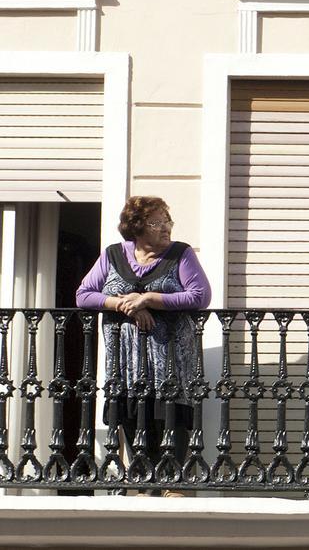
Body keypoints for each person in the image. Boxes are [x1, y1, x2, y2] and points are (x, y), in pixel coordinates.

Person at [76, 196, 211, 493]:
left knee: (170, 422)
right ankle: (142, 484)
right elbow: (84, 295)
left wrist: (150, 299)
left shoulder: (181, 254)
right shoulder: (113, 255)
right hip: (126, 364)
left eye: (168, 221)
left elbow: (200, 296)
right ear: (136, 227)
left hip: (170, 362)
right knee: (133, 419)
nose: (166, 228)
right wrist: (125, 305)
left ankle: (171, 485)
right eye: (157, 222)